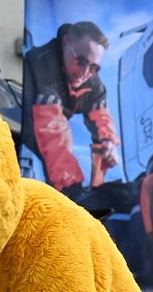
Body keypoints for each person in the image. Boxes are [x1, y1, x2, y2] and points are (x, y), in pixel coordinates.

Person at [22, 21, 120, 200]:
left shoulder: (92, 81)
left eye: (94, 67)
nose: (85, 72)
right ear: (66, 42)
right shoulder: (41, 65)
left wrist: (108, 142)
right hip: (29, 130)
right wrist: (72, 191)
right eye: (81, 61)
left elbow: (102, 116)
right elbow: (52, 131)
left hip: (53, 127)